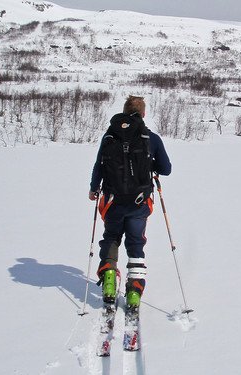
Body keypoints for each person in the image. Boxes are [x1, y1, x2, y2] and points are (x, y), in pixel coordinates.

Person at [89, 96, 172, 308]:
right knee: (136, 242)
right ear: (143, 114)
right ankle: (134, 289)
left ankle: (109, 276)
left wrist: (93, 188)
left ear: (124, 112)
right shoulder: (150, 137)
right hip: (139, 202)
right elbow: (166, 169)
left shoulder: (110, 135)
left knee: (111, 237)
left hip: (112, 200)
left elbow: (99, 164)